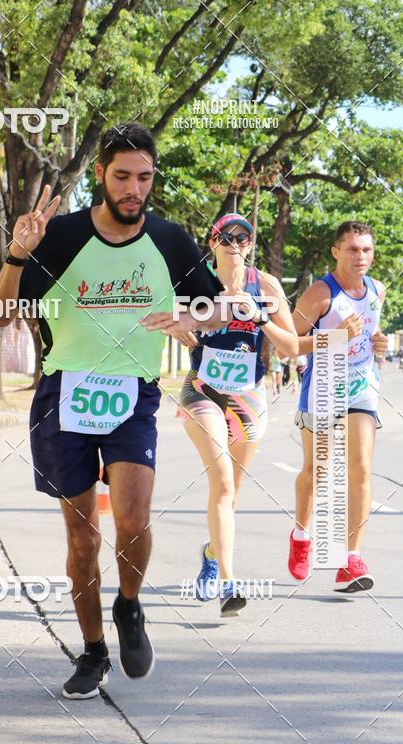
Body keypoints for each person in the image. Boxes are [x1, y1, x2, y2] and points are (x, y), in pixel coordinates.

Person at [0, 123, 222, 699]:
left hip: (133, 394)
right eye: (122, 176)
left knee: (134, 519)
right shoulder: (60, 235)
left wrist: (195, 319)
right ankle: (92, 653)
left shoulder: (170, 241)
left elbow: (217, 309)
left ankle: (130, 604)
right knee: (81, 535)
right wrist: (18, 251)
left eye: (144, 177)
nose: (133, 189)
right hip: (65, 392)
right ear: (101, 174)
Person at [143, 214, 298, 614]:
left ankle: (211, 553)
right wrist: (174, 327)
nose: (234, 242)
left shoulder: (265, 286)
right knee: (224, 484)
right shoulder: (195, 281)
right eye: (224, 236)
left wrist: (259, 316)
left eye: (242, 237)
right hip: (203, 391)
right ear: (211, 242)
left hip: (249, 396)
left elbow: (291, 348)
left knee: (231, 496)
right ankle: (229, 582)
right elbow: (166, 316)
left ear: (250, 244)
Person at [289, 221, 388, 591]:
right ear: (336, 251)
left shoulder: (376, 290)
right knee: (318, 470)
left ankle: (351, 559)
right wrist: (334, 337)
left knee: (361, 467)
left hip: (362, 387)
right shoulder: (320, 293)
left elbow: (371, 336)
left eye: (366, 249)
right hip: (324, 386)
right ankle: (301, 534)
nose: (360, 256)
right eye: (352, 249)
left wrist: (379, 343)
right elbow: (287, 344)